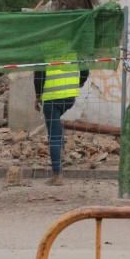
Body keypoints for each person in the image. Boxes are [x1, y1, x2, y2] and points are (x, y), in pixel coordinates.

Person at [34, 53, 88, 185]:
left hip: (51, 98)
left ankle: (57, 175)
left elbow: (39, 77)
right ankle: (61, 150)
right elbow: (85, 69)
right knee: (57, 128)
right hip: (69, 98)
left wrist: (38, 96)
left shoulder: (44, 52)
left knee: (54, 135)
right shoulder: (72, 49)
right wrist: (80, 82)